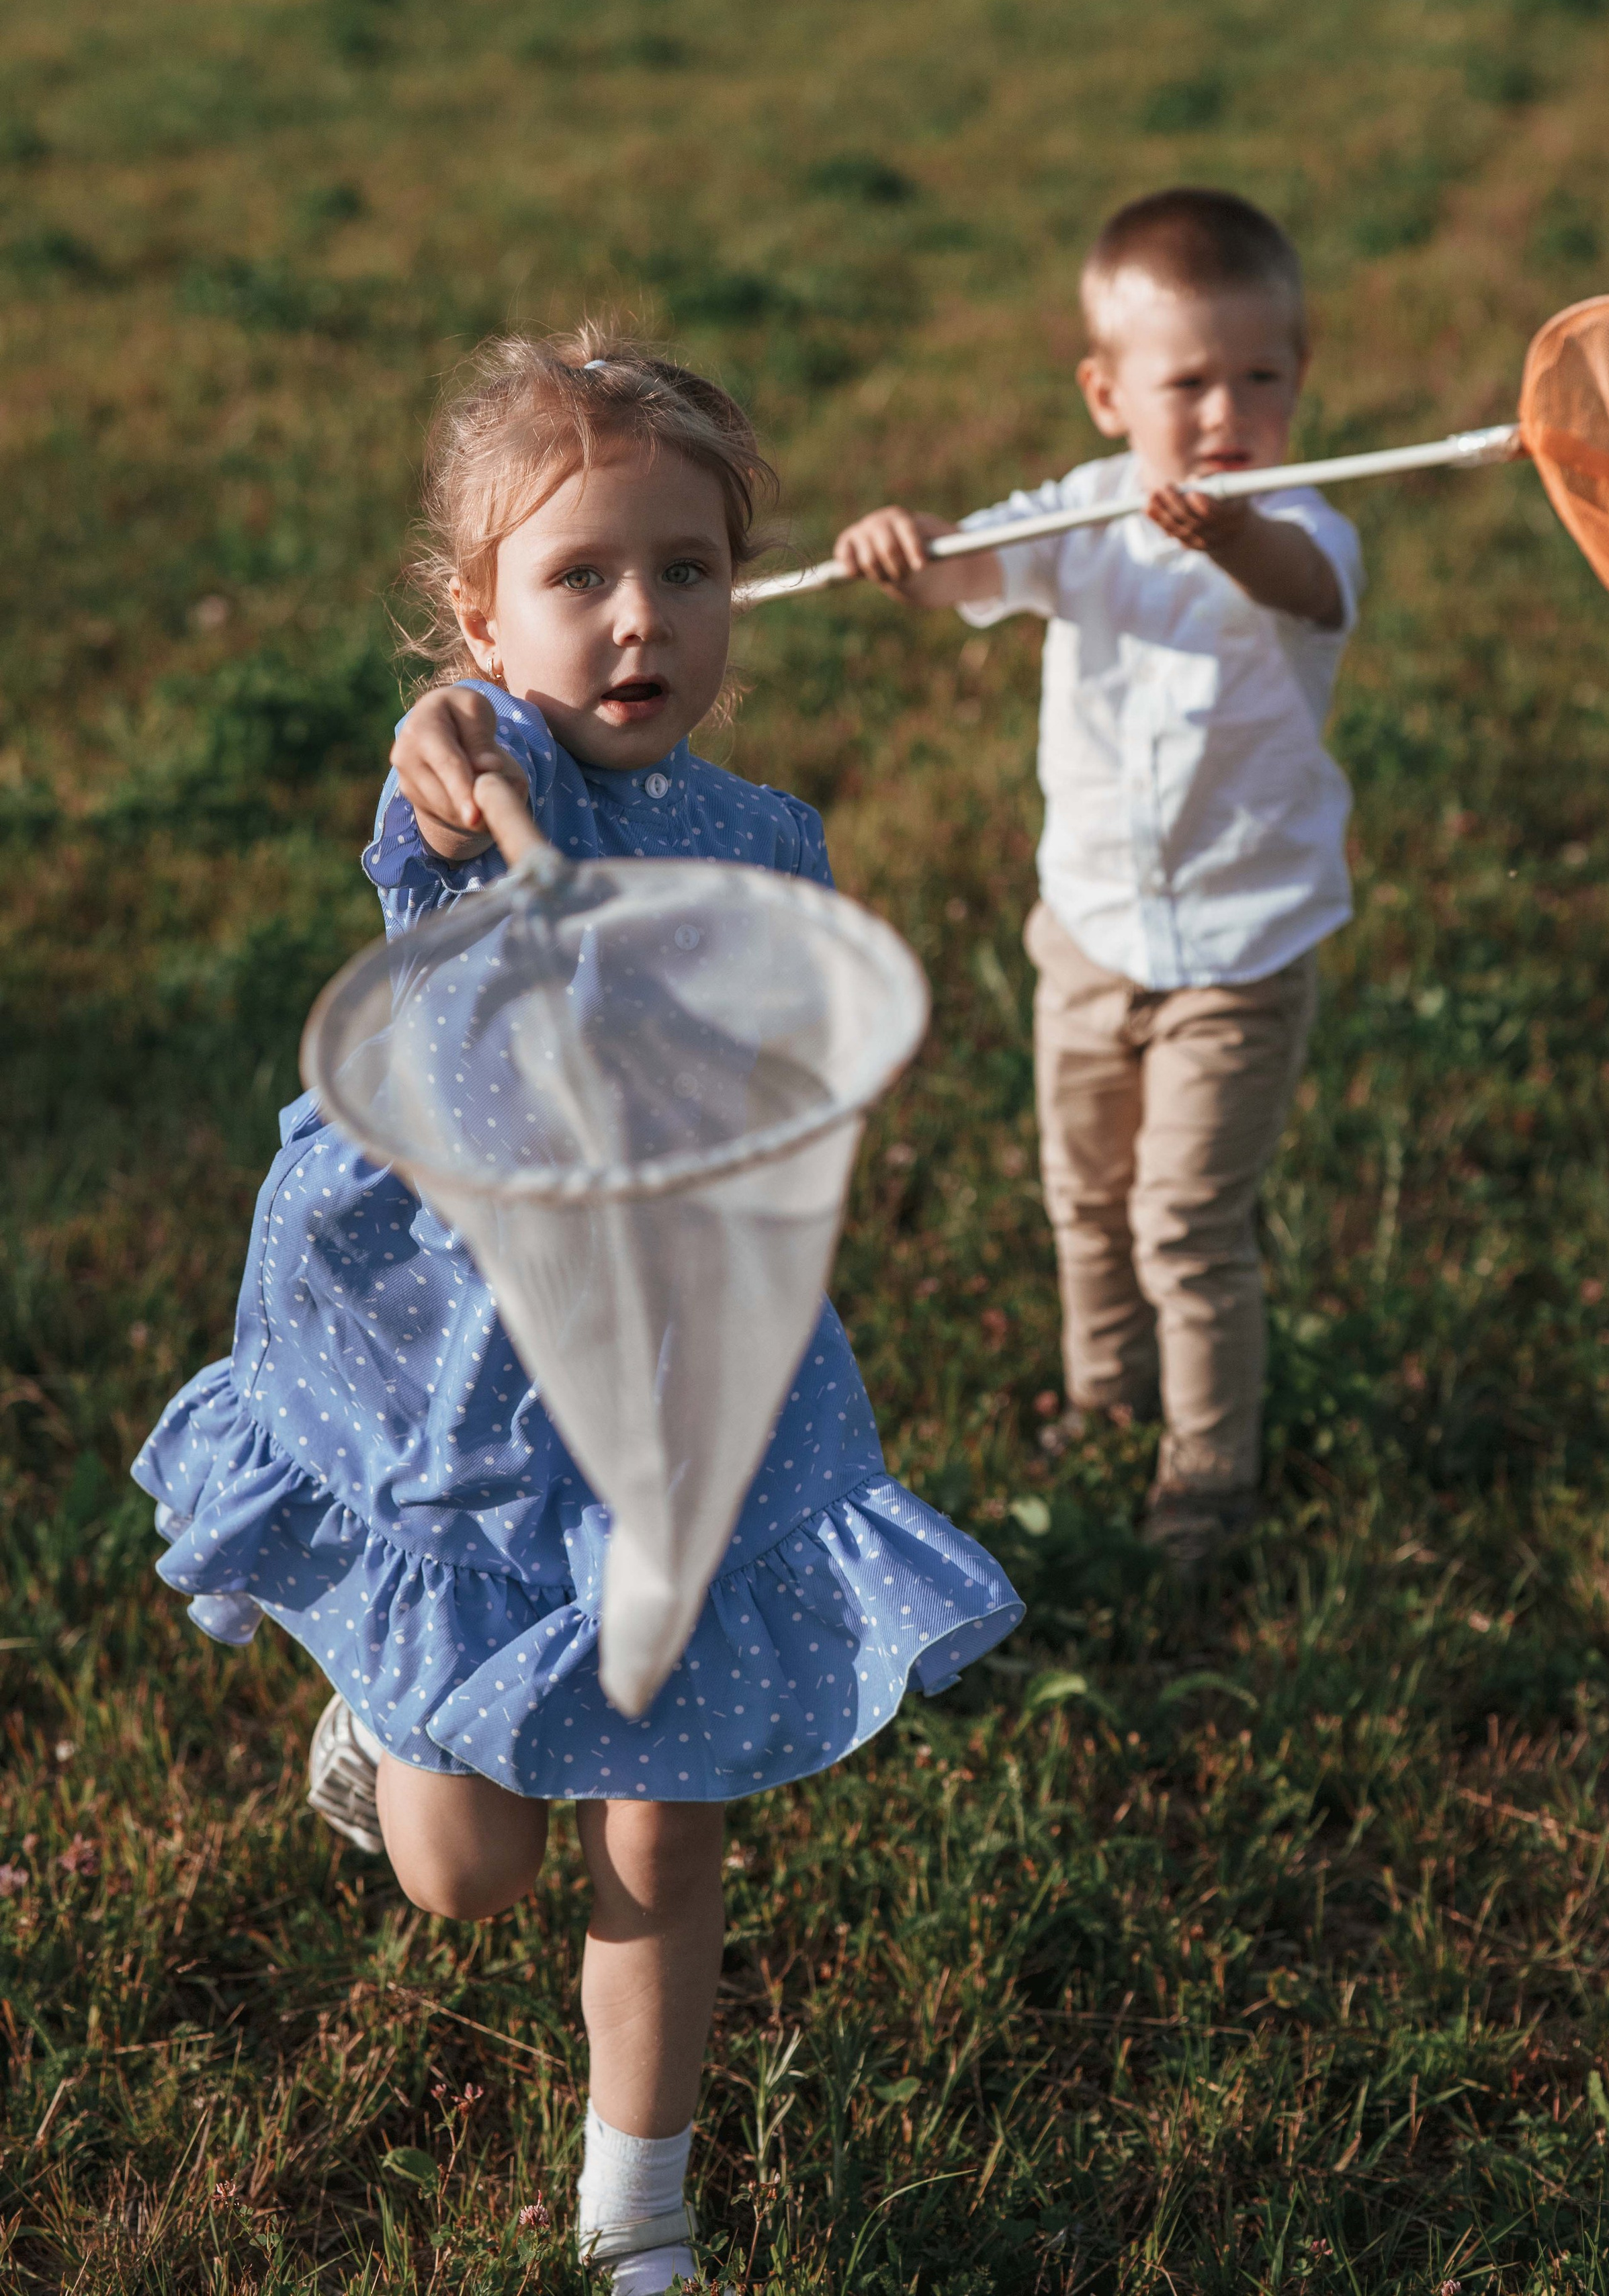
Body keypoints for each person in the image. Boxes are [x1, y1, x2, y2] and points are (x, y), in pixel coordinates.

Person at [132, 332, 1022, 2293]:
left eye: (687, 573)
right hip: (447, 1385)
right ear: (483, 617)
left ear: (739, 594)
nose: (641, 620)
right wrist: (447, 743)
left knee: (665, 1824)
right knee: (469, 1877)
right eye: (581, 578)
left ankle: (640, 2218)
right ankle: (381, 1707)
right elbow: (441, 770)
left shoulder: (766, 842)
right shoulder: (492, 773)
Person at [834, 188, 1364, 1570]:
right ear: (1104, 393)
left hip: (1237, 959)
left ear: (1297, 383)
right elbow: (968, 575)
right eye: (1185, 382)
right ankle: (1099, 1395)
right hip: (1084, 936)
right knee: (1084, 1199)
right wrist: (912, 552)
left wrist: (1224, 535)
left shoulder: (1301, 525)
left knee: (1185, 1220)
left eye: (1260, 377)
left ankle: (1205, 1474)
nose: (1222, 411)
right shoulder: (1078, 517)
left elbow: (1303, 588)